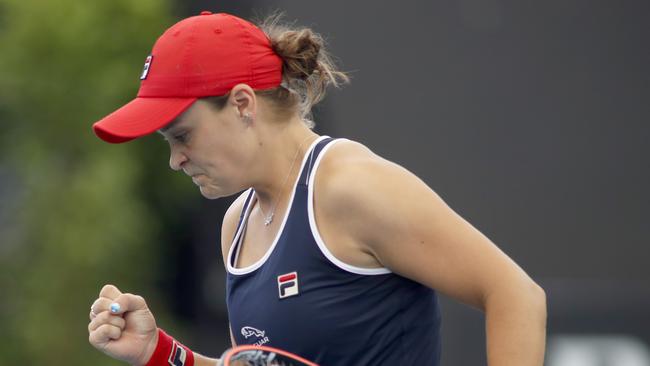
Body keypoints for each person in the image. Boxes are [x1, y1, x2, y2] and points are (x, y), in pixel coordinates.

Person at [87, 10, 547, 366]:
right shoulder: (237, 224)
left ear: (243, 104)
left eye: (182, 135)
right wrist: (159, 352)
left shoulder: (351, 187)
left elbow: (515, 295)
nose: (175, 160)